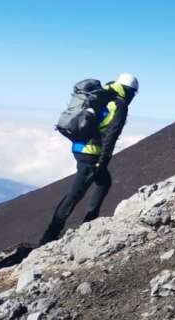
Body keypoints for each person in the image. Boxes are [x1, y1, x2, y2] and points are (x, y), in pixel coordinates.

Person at [39, 73, 138, 245]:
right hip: (91, 152)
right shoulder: (120, 105)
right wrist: (103, 161)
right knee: (75, 194)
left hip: (80, 146)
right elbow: (111, 136)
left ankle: (90, 220)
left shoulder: (103, 93)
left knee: (103, 181)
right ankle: (49, 236)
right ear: (130, 91)